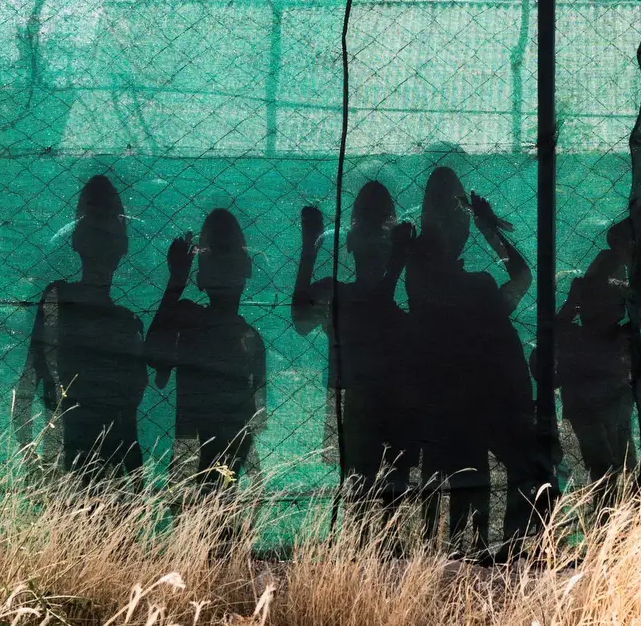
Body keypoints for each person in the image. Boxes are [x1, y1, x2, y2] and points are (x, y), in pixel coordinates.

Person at [406, 166, 551, 554]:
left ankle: (503, 550)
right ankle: (497, 551)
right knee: (470, 495)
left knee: (478, 493)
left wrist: (486, 227)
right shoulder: (445, 281)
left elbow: (521, 277)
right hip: (470, 403)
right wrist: (487, 230)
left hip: (487, 401)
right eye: (449, 208)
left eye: (460, 209)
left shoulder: (472, 286)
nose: (458, 218)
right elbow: (521, 276)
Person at [13, 175, 148, 480]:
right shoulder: (123, 324)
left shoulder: (60, 301)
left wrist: (29, 457)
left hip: (70, 463)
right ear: (123, 248)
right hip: (99, 467)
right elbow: (128, 424)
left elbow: (27, 384)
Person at [292, 183, 417, 507]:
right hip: (372, 408)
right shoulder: (342, 295)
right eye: (367, 221)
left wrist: (309, 248)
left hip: (371, 408)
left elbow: (302, 320)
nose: (374, 232)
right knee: (373, 499)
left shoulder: (338, 296)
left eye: (381, 222)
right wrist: (399, 261)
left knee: (368, 500)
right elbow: (302, 321)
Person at [148, 207, 268, 493]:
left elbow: (154, 355)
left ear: (200, 279)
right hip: (225, 453)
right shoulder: (249, 338)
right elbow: (255, 413)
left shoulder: (187, 320)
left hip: (192, 451)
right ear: (246, 271)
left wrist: (176, 280)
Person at [553, 219, 641, 502]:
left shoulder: (572, 336)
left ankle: (610, 513)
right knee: (619, 467)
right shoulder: (623, 339)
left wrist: (575, 299)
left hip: (588, 410)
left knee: (605, 471)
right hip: (610, 408)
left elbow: (558, 329)